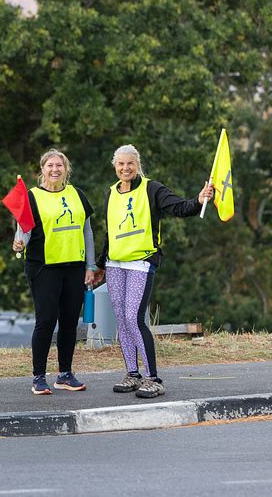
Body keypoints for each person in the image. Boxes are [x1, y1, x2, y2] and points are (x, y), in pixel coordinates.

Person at [94, 144, 213, 399]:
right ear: (115, 167)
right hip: (115, 264)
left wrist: (199, 200)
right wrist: (101, 265)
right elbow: (110, 233)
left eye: (130, 164)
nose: (125, 168)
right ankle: (132, 374)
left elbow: (179, 208)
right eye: (121, 164)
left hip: (141, 262)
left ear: (137, 165)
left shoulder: (152, 189)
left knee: (134, 317)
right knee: (121, 319)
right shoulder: (110, 193)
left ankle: (153, 379)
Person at [12, 149, 96, 395]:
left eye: (59, 165)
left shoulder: (77, 194)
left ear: (66, 169)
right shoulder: (32, 196)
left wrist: (90, 266)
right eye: (50, 165)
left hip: (74, 267)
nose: (55, 169)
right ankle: (39, 376)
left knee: (70, 322)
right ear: (42, 169)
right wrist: (19, 243)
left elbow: (87, 232)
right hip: (43, 268)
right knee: (46, 321)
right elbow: (24, 230)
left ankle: (65, 374)